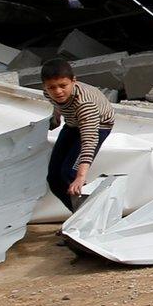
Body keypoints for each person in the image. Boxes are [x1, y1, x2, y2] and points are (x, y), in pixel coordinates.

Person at [40, 58, 114, 210]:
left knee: (69, 174)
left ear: (74, 81)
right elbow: (57, 103)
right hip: (73, 123)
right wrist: (56, 118)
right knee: (54, 179)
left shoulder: (85, 104)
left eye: (63, 86)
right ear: (45, 87)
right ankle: (78, 219)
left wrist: (81, 178)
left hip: (98, 125)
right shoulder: (48, 93)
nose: (58, 92)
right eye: (52, 87)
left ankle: (94, 218)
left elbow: (89, 140)